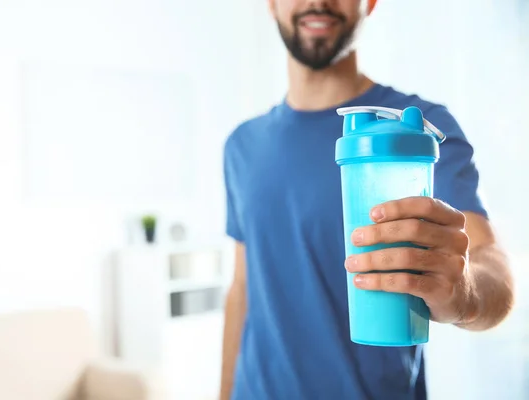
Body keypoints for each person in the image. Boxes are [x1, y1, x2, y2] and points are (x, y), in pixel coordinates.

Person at [219, 0, 515, 399]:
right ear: (271, 4)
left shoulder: (421, 130)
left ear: (370, 3)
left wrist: (466, 292)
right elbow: (242, 288)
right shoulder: (242, 146)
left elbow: (489, 263)